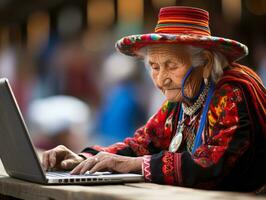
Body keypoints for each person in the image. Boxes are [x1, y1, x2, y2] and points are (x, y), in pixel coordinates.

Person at [42, 6, 266, 191]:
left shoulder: (232, 93)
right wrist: (85, 158)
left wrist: (134, 165)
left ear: (205, 63)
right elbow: (143, 144)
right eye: (154, 66)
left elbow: (212, 164)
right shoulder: (181, 100)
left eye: (171, 65)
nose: (161, 80)